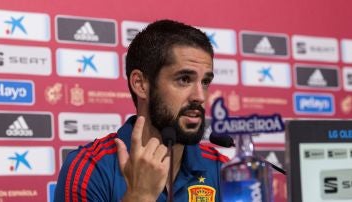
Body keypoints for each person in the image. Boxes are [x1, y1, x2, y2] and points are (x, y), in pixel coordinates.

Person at [54, 19, 228, 202]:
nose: (200, 96)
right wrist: (139, 196)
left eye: (205, 82)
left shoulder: (222, 170)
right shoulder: (89, 168)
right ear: (140, 84)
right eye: (184, 79)